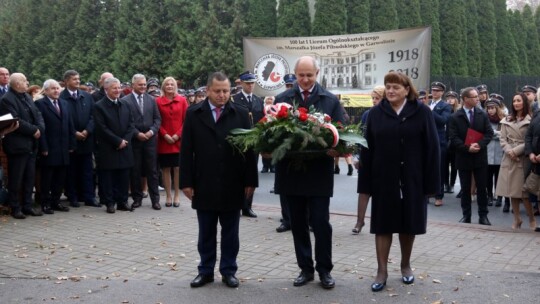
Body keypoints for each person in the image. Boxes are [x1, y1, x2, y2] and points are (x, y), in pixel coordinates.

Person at [358, 72, 440, 292]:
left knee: (408, 224)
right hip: (383, 179)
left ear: (407, 89)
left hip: (413, 179)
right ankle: (381, 270)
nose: (391, 91)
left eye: (395, 87)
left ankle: (405, 265)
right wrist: (365, 185)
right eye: (388, 87)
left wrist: (432, 185)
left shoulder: (422, 112)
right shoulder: (375, 113)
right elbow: (367, 149)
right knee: (383, 226)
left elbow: (432, 148)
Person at [180, 72, 258, 288]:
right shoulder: (194, 113)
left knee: (231, 232)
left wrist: (251, 180)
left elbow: (249, 150)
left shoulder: (240, 114)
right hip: (204, 181)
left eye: (225, 91)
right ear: (208, 91)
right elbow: (186, 150)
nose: (222, 95)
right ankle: (205, 271)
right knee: (206, 231)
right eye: (217, 91)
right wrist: (185, 182)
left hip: (233, 182)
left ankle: (228, 270)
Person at [274, 56, 344, 289]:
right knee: (298, 224)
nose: (304, 80)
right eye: (301, 75)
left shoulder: (330, 100)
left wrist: (338, 150)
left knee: (320, 222)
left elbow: (342, 132)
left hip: (318, 173)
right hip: (291, 172)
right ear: (295, 74)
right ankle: (305, 268)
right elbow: (272, 132)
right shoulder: (283, 99)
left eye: (309, 75)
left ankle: (324, 270)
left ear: (317, 73)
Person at [0, 73, 45, 219]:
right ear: (17, 83)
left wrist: (40, 128)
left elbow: (37, 114)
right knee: (16, 178)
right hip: (17, 145)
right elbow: (15, 121)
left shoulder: (26, 96)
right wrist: (34, 130)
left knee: (29, 178)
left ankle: (27, 205)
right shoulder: (6, 100)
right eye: (25, 81)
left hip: (31, 145)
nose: (28, 83)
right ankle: (15, 207)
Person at [448, 87, 494, 225]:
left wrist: (479, 145)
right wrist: (467, 147)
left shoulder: (482, 114)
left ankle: (483, 216)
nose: (477, 98)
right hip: (464, 157)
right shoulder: (455, 116)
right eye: (474, 96)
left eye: (477, 96)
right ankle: (466, 215)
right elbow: (453, 137)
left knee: (482, 187)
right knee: (466, 188)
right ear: (466, 99)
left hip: (480, 156)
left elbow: (489, 133)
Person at [93, 77, 135, 214]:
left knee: (123, 176)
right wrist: (117, 141)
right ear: (106, 89)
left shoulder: (126, 104)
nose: (118, 90)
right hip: (108, 147)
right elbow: (101, 128)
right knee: (108, 177)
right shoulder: (99, 106)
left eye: (119, 87)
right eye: (114, 88)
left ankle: (122, 202)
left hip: (125, 147)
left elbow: (131, 125)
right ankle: (109, 202)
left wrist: (125, 141)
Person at [35, 79, 76, 214]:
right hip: (49, 148)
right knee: (47, 178)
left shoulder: (64, 103)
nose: (56, 91)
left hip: (64, 148)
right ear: (46, 91)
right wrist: (44, 147)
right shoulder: (40, 104)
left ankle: (56, 201)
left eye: (58, 88)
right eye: (53, 88)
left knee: (60, 177)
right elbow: (41, 128)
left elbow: (70, 125)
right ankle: (45, 203)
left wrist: (71, 144)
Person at [121, 74, 162, 210]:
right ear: (133, 85)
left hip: (150, 141)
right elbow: (126, 121)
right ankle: (137, 198)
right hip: (135, 141)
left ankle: (155, 200)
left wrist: (151, 132)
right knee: (135, 171)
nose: (143, 87)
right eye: (140, 84)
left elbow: (157, 119)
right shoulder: (125, 100)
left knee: (152, 171)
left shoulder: (152, 100)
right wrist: (137, 133)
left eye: (145, 84)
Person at [496, 93, 536, 230]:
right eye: (514, 101)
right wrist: (509, 151)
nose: (516, 103)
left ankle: (531, 218)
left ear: (524, 102)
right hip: (508, 158)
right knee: (511, 191)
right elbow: (502, 138)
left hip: (522, 157)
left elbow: (531, 139)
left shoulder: (532, 119)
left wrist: (516, 151)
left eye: (518, 100)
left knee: (523, 193)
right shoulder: (507, 119)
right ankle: (517, 219)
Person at [60, 70, 98, 207]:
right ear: (66, 81)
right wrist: (74, 132)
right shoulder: (61, 98)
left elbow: (93, 116)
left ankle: (89, 197)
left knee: (87, 171)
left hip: (86, 140)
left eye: (78, 78)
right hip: (71, 141)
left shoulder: (87, 96)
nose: (78, 81)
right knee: (72, 171)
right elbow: (62, 119)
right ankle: (73, 196)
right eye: (74, 79)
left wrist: (87, 130)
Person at [353, 85, 384, 235]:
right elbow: (360, 136)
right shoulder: (367, 114)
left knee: (380, 192)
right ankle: (360, 221)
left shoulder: (389, 115)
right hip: (366, 157)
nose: (374, 101)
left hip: (383, 159)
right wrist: (357, 156)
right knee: (363, 191)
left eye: (377, 98)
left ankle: (379, 221)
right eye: (373, 98)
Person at [233, 71, 264, 218]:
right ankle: (237, 205)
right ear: (241, 83)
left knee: (251, 174)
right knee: (238, 174)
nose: (250, 85)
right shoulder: (234, 99)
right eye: (248, 83)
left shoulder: (258, 100)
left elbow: (262, 121)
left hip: (254, 143)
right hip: (239, 142)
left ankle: (247, 207)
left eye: (252, 83)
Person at [156, 77, 188, 207]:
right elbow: (156, 120)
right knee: (166, 169)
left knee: (177, 168)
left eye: (172, 84)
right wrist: (165, 135)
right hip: (164, 140)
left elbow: (186, 120)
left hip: (178, 140)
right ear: (163, 87)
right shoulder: (157, 101)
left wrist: (177, 135)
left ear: (175, 86)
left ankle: (176, 196)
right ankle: (168, 196)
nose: (169, 86)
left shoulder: (182, 100)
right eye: (167, 84)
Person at [428, 82, 452, 206]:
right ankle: (427, 193)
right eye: (433, 90)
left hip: (439, 140)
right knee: (427, 168)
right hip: (426, 140)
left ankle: (439, 195)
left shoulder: (445, 106)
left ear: (442, 92)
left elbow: (443, 120)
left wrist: (430, 111)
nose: (434, 92)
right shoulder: (428, 104)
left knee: (440, 168)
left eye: (437, 90)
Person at [485, 98, 505, 207]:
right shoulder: (484, 119)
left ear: (497, 108)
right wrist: (495, 134)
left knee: (498, 176)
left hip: (499, 151)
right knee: (488, 176)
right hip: (488, 151)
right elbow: (484, 134)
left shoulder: (503, 119)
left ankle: (499, 196)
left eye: (492, 108)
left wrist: (492, 133)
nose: (490, 110)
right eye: (488, 108)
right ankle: (489, 196)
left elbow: (504, 135)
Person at [444, 91, 460, 194]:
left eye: (452, 97)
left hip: (454, 141)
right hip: (444, 140)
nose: (450, 99)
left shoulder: (458, 112)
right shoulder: (444, 110)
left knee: (454, 165)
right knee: (445, 164)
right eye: (448, 97)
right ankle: (446, 184)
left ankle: (452, 184)